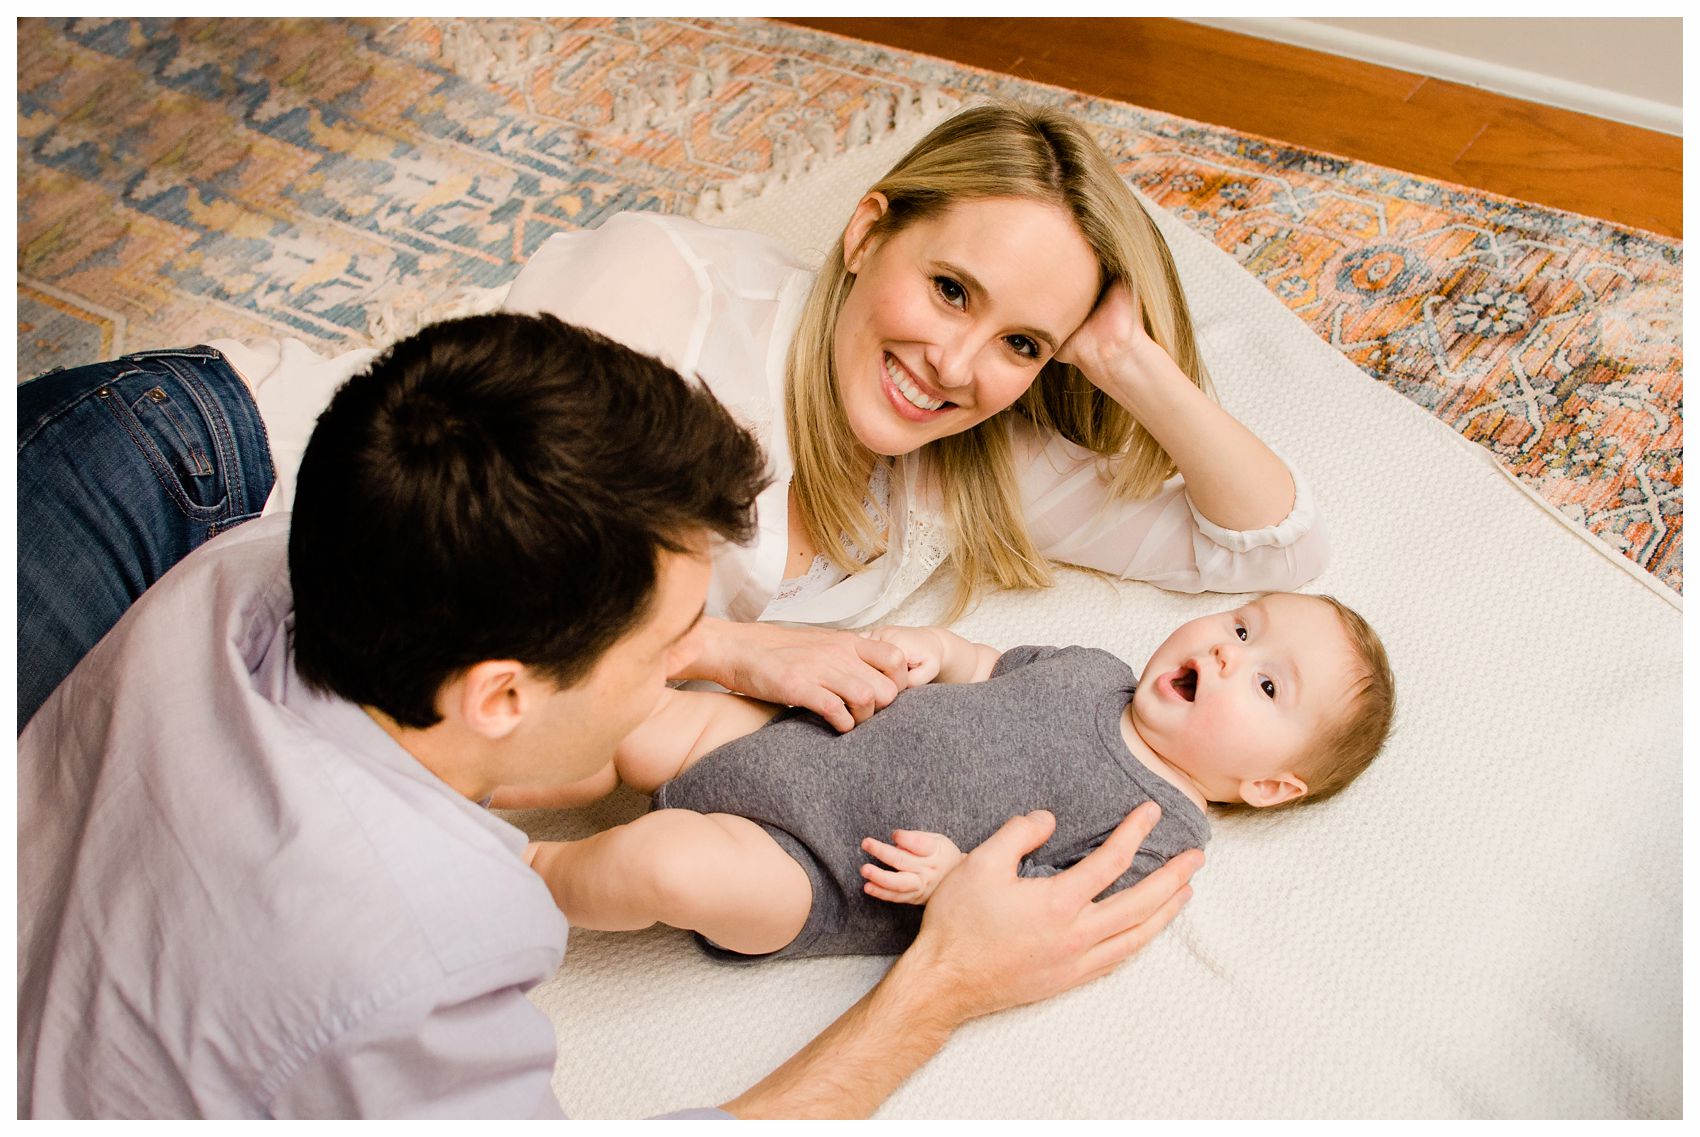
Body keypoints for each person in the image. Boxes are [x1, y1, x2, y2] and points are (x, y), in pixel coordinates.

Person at [17, 313, 1202, 1119]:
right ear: (500, 696)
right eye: (668, 648)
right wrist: (939, 982)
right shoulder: (427, 950)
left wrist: (742, 647)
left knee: (182, 415)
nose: (703, 664)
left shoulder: (258, 563)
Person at [16, 101, 1326, 735]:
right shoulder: (666, 286)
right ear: (868, 228)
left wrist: (1127, 360)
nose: (956, 361)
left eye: (1020, 342)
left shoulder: (964, 458)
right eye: (949, 287)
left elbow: (1266, 551)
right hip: (201, 477)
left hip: (300, 668)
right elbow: (518, 559)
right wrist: (752, 660)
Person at [519, 593, 1394, 961]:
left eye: (1269, 684)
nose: (1227, 655)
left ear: (1272, 785)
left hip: (815, 866)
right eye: (1242, 628)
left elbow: (1049, 906)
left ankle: (522, 877)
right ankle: (477, 775)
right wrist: (931, 648)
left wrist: (955, 882)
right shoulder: (1095, 668)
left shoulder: (1161, 829)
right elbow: (983, 663)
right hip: (795, 734)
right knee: (632, 722)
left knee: (663, 862)